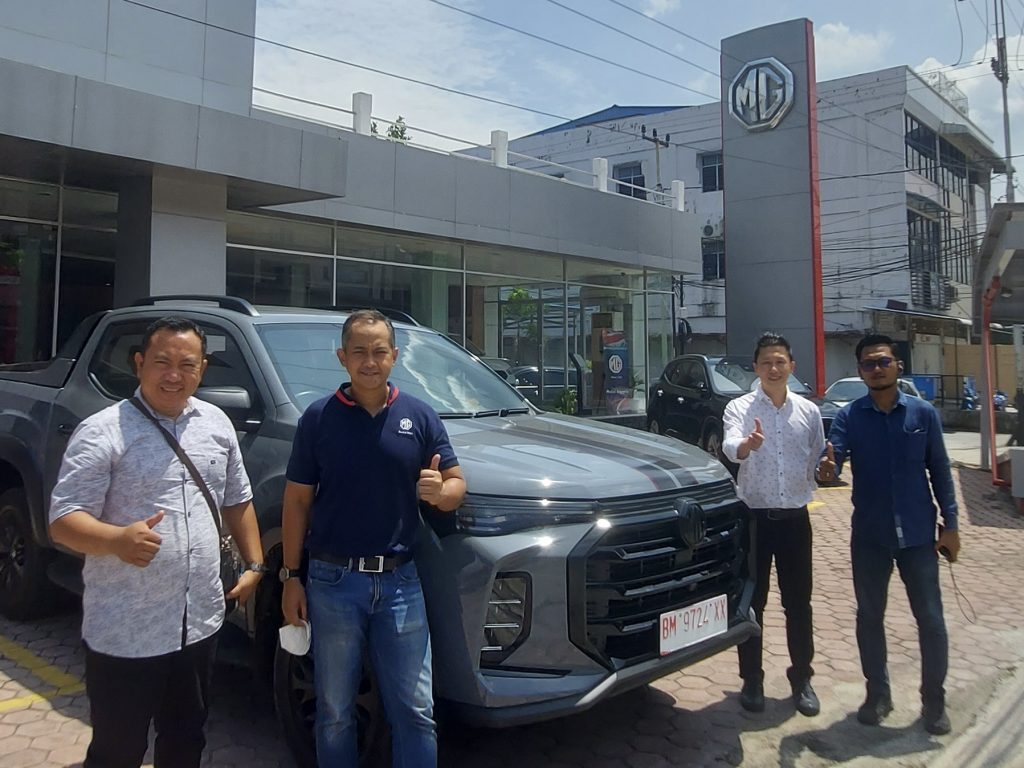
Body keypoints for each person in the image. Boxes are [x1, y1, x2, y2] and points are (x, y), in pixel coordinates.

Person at [48, 317, 265, 768]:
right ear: (139, 363)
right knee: (117, 750)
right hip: (126, 628)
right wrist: (116, 539)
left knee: (186, 739)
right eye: (162, 362)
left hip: (200, 621)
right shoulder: (103, 430)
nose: (174, 375)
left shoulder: (217, 424)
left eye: (187, 365)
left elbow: (238, 500)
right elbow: (64, 521)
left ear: (202, 369)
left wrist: (255, 565)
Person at [281, 309, 466, 767]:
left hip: (401, 585)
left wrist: (441, 493)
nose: (369, 361)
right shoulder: (318, 418)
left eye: (379, 351)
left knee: (416, 711)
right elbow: (297, 502)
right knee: (334, 712)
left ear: (395, 356)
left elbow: (456, 485)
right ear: (342, 357)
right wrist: (290, 577)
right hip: (332, 582)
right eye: (359, 351)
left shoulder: (419, 416)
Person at [818, 333, 960, 735]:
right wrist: (826, 470)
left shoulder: (923, 414)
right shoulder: (850, 416)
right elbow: (833, 461)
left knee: (930, 618)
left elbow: (941, 470)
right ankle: (878, 694)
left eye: (883, 362)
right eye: (869, 364)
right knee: (869, 616)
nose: (877, 369)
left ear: (898, 365)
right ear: (860, 370)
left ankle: (934, 701)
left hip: (918, 535)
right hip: (870, 535)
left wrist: (951, 525)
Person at [723, 332, 825, 717]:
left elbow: (816, 455)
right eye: (766, 362)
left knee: (799, 603)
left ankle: (802, 679)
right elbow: (730, 447)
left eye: (780, 361)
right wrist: (747, 445)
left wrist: (821, 473)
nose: (773, 368)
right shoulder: (740, 408)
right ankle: (752, 680)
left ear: (792, 366)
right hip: (754, 520)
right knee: (753, 603)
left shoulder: (808, 411)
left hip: (796, 521)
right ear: (756, 367)